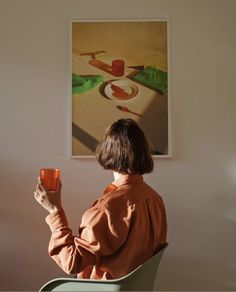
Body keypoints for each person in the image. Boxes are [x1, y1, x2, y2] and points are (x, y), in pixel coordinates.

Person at [34, 118, 167, 279]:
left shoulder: (111, 206)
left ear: (109, 151)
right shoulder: (154, 199)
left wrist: (54, 210)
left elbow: (72, 262)